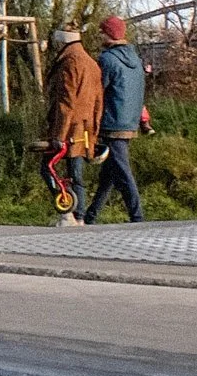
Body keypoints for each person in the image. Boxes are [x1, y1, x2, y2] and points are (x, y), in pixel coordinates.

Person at [80, 14, 150, 222]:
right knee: (109, 173)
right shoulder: (136, 60)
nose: (100, 35)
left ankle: (137, 217)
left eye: (102, 31)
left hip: (111, 121)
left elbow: (98, 91)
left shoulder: (107, 59)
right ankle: (90, 216)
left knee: (122, 170)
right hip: (129, 121)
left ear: (108, 34)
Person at [41, 21, 102, 216]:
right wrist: (95, 129)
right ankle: (79, 214)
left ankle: (70, 210)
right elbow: (99, 101)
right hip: (85, 127)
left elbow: (66, 102)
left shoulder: (69, 63)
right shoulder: (91, 63)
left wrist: (59, 134)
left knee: (48, 168)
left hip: (69, 128)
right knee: (76, 174)